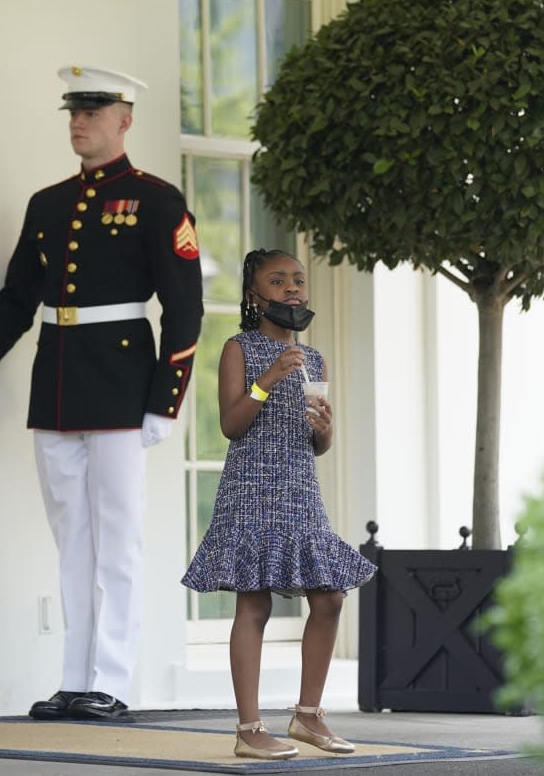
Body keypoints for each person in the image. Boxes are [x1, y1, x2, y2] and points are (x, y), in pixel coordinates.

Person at [0, 65, 204, 722]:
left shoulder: (156, 200)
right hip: (60, 384)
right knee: (71, 537)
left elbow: (184, 309)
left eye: (93, 112)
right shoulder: (47, 204)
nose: (79, 122)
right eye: (74, 111)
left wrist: (165, 398)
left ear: (125, 120)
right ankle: (76, 677)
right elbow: (18, 300)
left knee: (118, 538)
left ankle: (115, 679)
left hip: (124, 386)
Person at [181, 249, 376, 759]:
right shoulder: (239, 348)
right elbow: (231, 424)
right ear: (255, 294)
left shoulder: (314, 359)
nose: (292, 288)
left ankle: (308, 717)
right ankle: (249, 728)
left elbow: (317, 444)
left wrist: (326, 430)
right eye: (278, 280)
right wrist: (266, 381)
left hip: (300, 488)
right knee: (255, 601)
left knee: (330, 596)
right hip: (251, 490)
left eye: (298, 280)